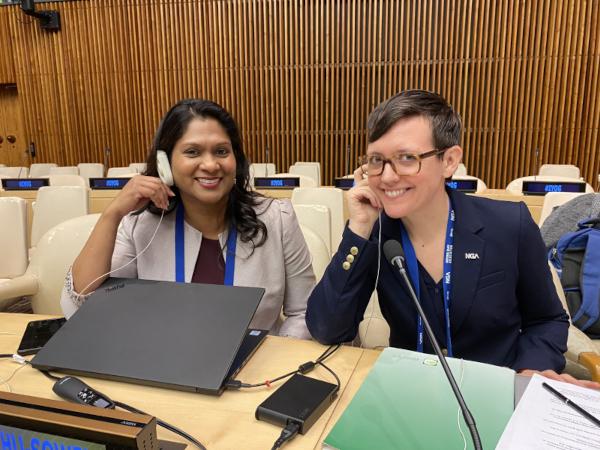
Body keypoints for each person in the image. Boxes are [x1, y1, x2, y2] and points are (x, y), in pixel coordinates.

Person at [306, 90, 597, 386]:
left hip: (495, 391)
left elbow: (547, 320)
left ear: (449, 160)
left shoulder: (509, 224)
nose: (387, 176)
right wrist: (359, 227)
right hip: (410, 391)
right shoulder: (377, 234)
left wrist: (528, 374)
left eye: (406, 158)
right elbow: (327, 329)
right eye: (376, 160)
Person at [61, 99, 314, 339]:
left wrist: (276, 364)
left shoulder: (278, 218)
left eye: (221, 151)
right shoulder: (142, 225)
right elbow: (78, 309)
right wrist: (112, 214)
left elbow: (302, 313)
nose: (211, 164)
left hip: (256, 372)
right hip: (168, 367)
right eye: (192, 152)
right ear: (165, 164)